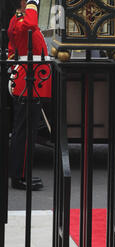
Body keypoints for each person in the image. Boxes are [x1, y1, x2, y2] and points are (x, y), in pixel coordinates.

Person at [8, 0, 51, 190]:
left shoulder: (21, 19)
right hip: (27, 82)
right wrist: (32, 5)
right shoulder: (20, 20)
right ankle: (19, 176)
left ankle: (22, 173)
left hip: (33, 82)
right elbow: (30, 25)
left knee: (28, 132)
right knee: (24, 133)